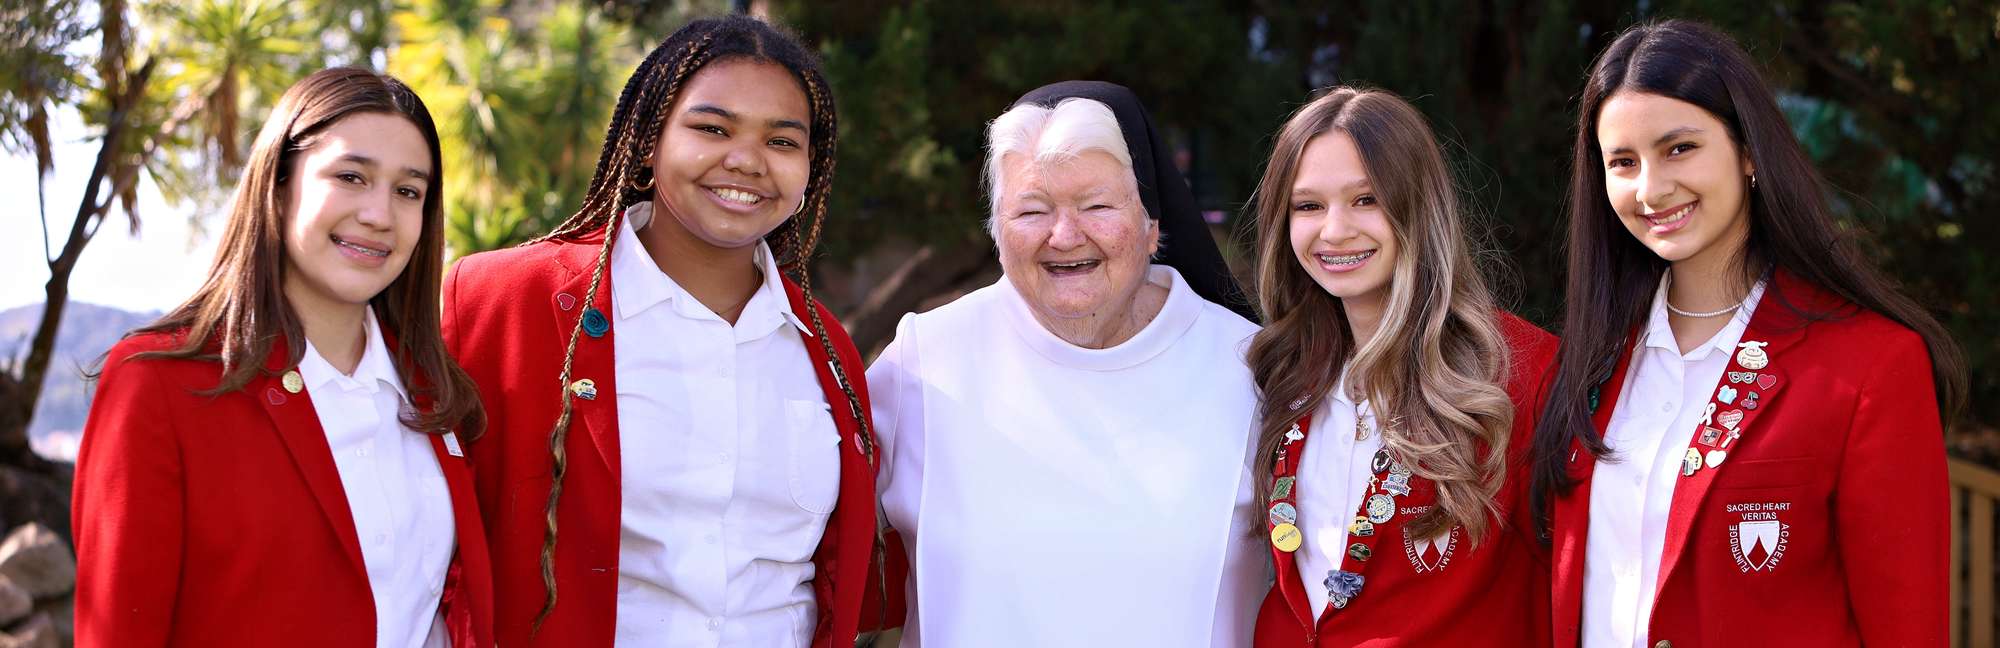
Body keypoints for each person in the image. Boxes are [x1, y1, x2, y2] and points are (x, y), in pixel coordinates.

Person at [441, 15, 888, 648]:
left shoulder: (827, 350)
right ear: (650, 139)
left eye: (783, 142)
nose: (747, 160)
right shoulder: (505, 302)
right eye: (712, 128)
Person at [1527, 19, 1967, 648]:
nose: (1650, 188)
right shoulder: (1586, 366)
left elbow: (1907, 627)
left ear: (1749, 150)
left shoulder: (1871, 366)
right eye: (1623, 162)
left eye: (1680, 148)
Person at [72, 67, 492, 648]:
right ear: (278, 184)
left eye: (408, 191)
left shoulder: (437, 394)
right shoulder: (158, 385)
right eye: (351, 176)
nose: (379, 214)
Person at [865, 80, 1266, 647]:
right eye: (1032, 210)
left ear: (1152, 226)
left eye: (1097, 206)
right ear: (997, 234)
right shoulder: (924, 361)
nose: (1065, 235)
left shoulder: (1251, 369)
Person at [1241, 87, 1558, 646]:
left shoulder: (1525, 373)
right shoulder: (1281, 371)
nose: (1334, 230)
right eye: (1308, 205)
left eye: (1366, 199)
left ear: (1417, 205)